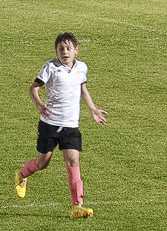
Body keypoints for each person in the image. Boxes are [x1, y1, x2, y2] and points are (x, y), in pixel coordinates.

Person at [15, 32, 106, 219]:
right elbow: (33, 88)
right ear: (56, 51)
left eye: (68, 48)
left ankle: (77, 206)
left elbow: (82, 88)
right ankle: (22, 175)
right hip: (49, 124)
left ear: (76, 50)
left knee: (73, 161)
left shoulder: (81, 68)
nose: (65, 52)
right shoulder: (51, 67)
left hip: (70, 125)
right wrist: (39, 104)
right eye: (61, 49)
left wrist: (93, 109)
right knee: (43, 163)